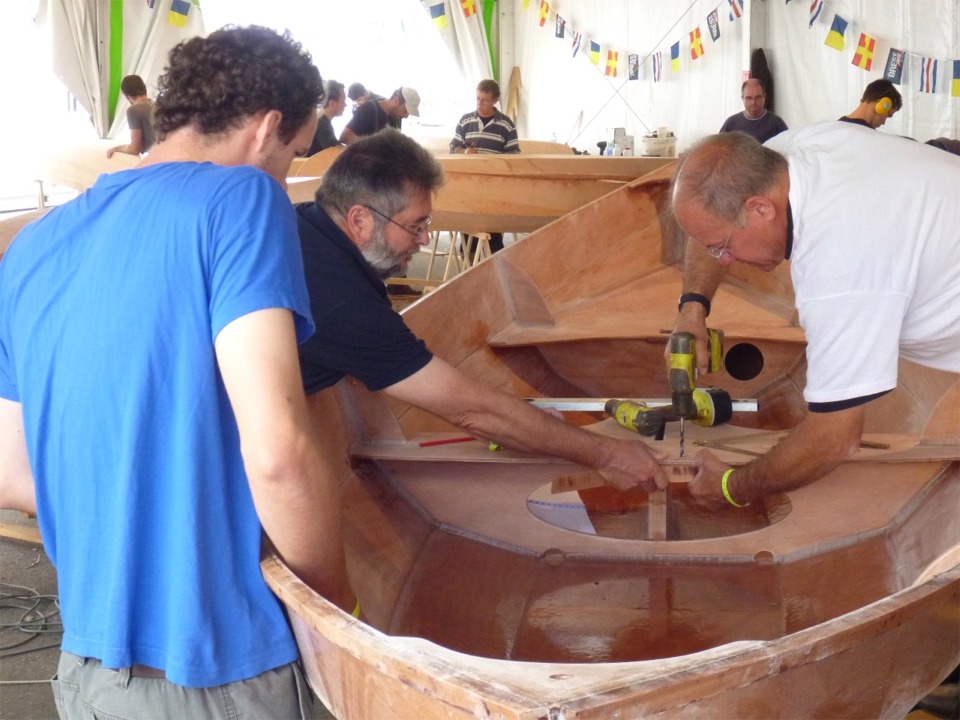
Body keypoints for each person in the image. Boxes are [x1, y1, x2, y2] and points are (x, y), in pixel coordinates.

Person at [0, 25, 352, 719]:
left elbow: (11, 474)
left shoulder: (32, 245)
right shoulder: (243, 200)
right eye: (293, 154)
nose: (285, 172)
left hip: (89, 674)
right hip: (225, 674)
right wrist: (339, 613)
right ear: (267, 128)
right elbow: (279, 452)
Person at [294, 129, 668, 495]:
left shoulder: (306, 227)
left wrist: (525, 426)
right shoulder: (342, 300)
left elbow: (472, 410)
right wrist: (606, 454)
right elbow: (470, 411)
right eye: (415, 225)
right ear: (359, 220)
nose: (425, 239)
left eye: (427, 224)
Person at [668, 128, 960, 511]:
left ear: (760, 209)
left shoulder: (840, 266)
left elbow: (833, 439)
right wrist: (693, 309)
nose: (722, 259)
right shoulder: (782, 154)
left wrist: (730, 487)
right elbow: (709, 224)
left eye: (723, 247)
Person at [449, 78, 520, 256]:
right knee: (468, 236)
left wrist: (493, 161)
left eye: (485, 100)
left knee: (493, 236)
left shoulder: (506, 124)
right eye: (478, 99)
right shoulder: (465, 121)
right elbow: (453, 148)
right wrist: (464, 152)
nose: (480, 104)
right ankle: (468, 265)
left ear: (495, 100)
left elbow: (515, 155)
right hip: (468, 186)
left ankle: (494, 269)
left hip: (494, 188)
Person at [339, 86, 420, 145]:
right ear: (396, 100)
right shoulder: (369, 109)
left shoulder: (397, 118)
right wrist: (372, 147)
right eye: (405, 111)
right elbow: (345, 136)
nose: (406, 116)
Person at [718, 78, 788, 144]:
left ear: (764, 97)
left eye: (757, 97)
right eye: (749, 98)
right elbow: (719, 149)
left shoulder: (776, 123)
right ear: (742, 98)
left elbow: (789, 148)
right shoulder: (731, 124)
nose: (753, 102)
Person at [106, 74, 156, 157]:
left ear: (128, 97)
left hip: (156, 161)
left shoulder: (134, 110)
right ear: (144, 89)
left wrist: (116, 149)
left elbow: (135, 149)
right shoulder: (158, 105)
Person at [307, 79, 346, 155]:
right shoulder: (323, 125)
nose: (345, 105)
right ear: (332, 103)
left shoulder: (317, 121)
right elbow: (335, 153)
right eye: (343, 101)